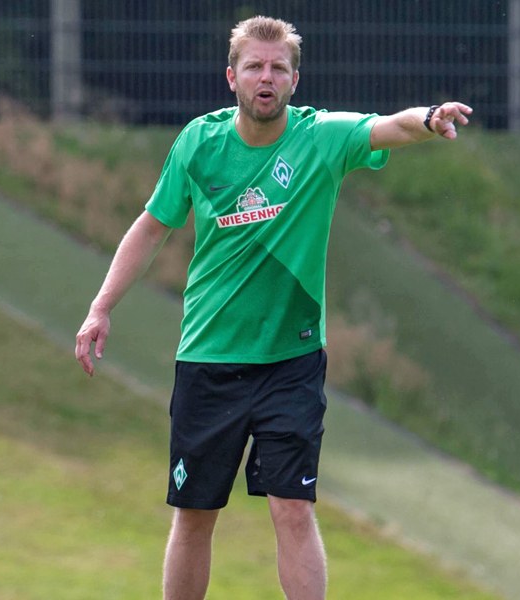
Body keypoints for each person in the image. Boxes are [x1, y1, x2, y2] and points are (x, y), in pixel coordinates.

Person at [75, 15, 472, 600]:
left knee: (292, 507)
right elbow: (152, 225)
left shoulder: (319, 137)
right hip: (210, 358)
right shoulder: (199, 143)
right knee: (195, 513)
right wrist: (101, 307)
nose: (267, 77)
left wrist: (431, 120)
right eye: (255, 67)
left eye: (278, 67)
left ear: (294, 79)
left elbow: (390, 127)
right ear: (231, 77)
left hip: (292, 360)